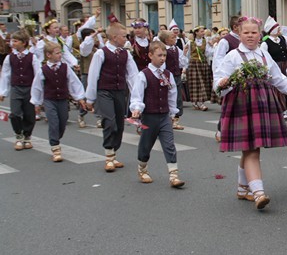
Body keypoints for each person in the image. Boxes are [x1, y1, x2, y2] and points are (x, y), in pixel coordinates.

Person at [214, 17, 287, 209]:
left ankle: (242, 188)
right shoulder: (233, 56)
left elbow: (278, 80)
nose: (250, 36)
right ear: (239, 34)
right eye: (246, 32)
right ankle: (259, 192)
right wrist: (223, 83)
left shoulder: (264, 55)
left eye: (254, 32)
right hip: (241, 104)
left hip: (262, 103)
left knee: (251, 148)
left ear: (260, 34)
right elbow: (219, 79)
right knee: (252, 149)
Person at [130, 41, 185, 188]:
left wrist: (173, 111)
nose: (162, 58)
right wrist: (136, 108)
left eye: (165, 55)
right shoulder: (143, 75)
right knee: (146, 145)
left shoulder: (168, 75)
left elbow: (172, 93)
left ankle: (174, 175)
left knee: (169, 144)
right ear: (150, 55)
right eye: (159, 55)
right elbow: (137, 94)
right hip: (149, 116)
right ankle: (142, 168)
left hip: (164, 116)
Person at [84, 22, 138, 172]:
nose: (126, 38)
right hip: (104, 91)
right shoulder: (101, 53)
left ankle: (114, 154)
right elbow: (93, 76)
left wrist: (136, 96)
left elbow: (132, 75)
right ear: (114, 37)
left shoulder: (125, 54)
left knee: (119, 125)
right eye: (123, 36)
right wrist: (90, 98)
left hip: (120, 91)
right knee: (110, 121)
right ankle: (108, 155)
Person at [30, 42, 86, 162]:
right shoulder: (43, 70)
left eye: (60, 52)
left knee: (62, 121)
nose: (60, 55)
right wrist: (37, 103)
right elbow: (37, 87)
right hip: (49, 100)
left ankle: (56, 137)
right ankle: (55, 148)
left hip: (63, 100)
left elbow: (73, 83)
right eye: (57, 53)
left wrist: (80, 97)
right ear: (48, 55)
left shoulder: (65, 68)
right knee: (53, 122)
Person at [0, 30, 41, 150]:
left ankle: (27, 136)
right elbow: (6, 74)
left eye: (15, 41)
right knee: (15, 113)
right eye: (12, 41)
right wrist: (3, 92)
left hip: (29, 89)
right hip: (16, 88)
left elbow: (38, 75)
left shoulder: (32, 57)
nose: (12, 43)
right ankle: (18, 135)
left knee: (29, 114)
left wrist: (38, 94)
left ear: (23, 43)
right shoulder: (10, 57)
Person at [212, 16, 242, 142]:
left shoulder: (243, 39)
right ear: (235, 27)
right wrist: (220, 79)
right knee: (229, 105)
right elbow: (218, 59)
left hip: (242, 77)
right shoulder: (225, 41)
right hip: (229, 77)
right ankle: (221, 129)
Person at [159, 30, 188, 130]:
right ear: (166, 40)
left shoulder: (176, 49)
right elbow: (162, 64)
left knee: (178, 98)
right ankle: (166, 119)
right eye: (173, 38)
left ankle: (175, 119)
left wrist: (184, 53)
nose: (175, 39)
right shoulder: (163, 50)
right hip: (168, 76)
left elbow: (182, 62)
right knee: (168, 97)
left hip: (176, 75)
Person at [187, 25, 213, 112]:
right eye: (201, 31)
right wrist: (185, 66)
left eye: (203, 31)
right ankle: (195, 101)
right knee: (195, 83)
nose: (203, 33)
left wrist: (212, 46)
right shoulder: (190, 42)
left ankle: (201, 102)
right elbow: (187, 55)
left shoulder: (205, 41)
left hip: (202, 63)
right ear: (196, 32)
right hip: (194, 64)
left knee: (203, 82)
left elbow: (208, 53)